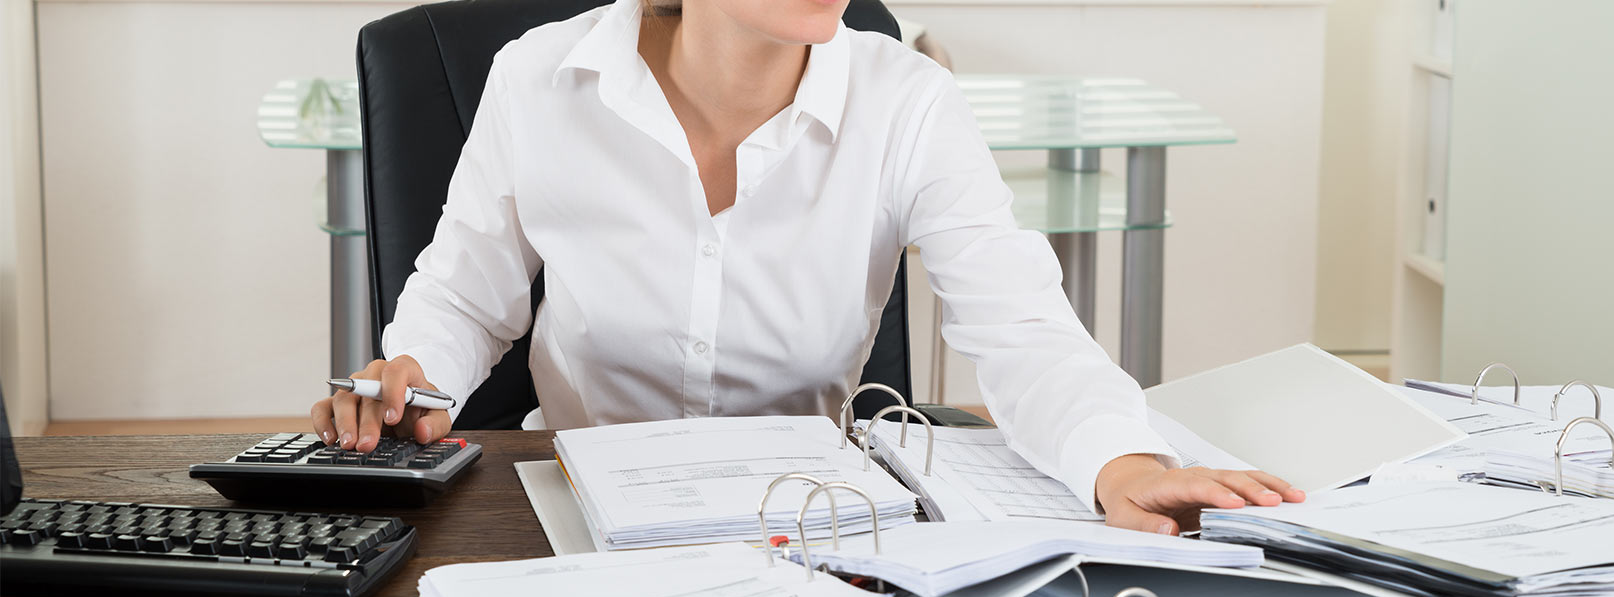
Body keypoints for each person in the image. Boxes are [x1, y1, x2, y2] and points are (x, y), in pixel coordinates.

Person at [309, 0, 1304, 534]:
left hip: (812, 524)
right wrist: (408, 374)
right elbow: (462, 296)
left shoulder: (906, 100)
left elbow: (1022, 330)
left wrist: (1121, 465)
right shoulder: (538, 76)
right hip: (577, 515)